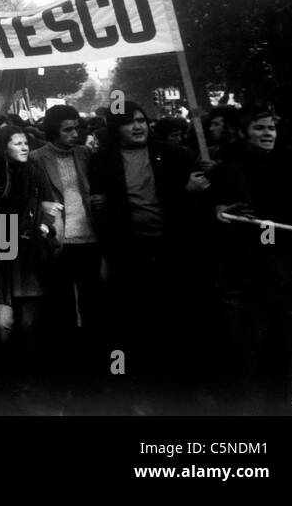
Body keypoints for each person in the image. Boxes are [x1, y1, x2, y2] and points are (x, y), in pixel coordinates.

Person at [87, 101, 213, 413]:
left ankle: (186, 387)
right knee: (139, 321)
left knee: (180, 318)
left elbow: (198, 199)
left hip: (173, 249)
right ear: (116, 128)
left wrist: (194, 188)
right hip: (131, 253)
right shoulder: (102, 161)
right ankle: (145, 389)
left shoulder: (173, 154)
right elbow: (102, 208)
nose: (138, 126)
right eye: (129, 122)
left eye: (141, 120)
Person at [210, 107, 292, 413]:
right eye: (260, 128)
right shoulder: (226, 169)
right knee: (258, 337)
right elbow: (214, 212)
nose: (268, 133)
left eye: (271, 127)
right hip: (250, 264)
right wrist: (216, 211)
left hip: (291, 260)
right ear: (244, 133)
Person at [26, 104, 102, 402]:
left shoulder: (85, 154)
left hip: (90, 240)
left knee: (93, 306)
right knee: (61, 312)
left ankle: (92, 373)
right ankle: (65, 375)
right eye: (67, 129)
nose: (74, 134)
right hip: (58, 243)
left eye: (76, 128)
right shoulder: (36, 158)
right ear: (53, 130)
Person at [0, 123, 47, 405]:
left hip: (29, 256)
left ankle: (23, 382)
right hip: (2, 257)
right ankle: (4, 381)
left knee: (29, 324)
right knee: (4, 322)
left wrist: (45, 227)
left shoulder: (34, 174)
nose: (24, 147)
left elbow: (47, 207)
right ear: (4, 147)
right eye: (17, 143)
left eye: (26, 143)